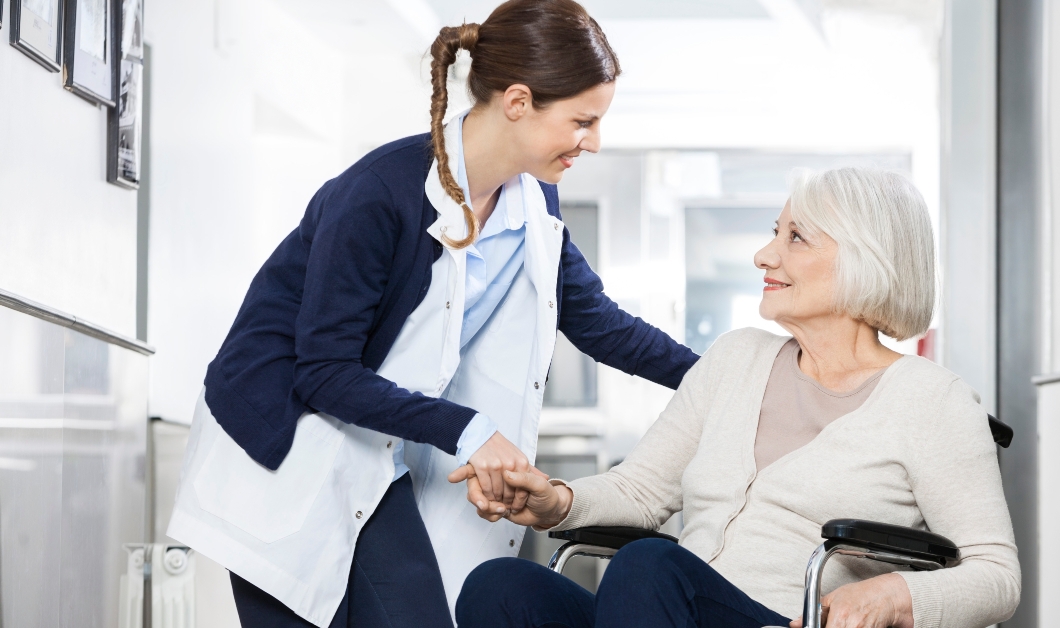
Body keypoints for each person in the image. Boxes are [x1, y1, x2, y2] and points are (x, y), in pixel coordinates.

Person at [165, 1, 699, 627]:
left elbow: (600, 324)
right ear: (519, 101)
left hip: (372, 451)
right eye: (583, 121)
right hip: (285, 448)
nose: (595, 142)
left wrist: (733, 378)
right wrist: (469, 430)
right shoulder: (380, 193)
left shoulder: (531, 201)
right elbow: (323, 372)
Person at [456, 167, 1021, 628]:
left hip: (778, 618)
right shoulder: (736, 359)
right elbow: (642, 488)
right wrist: (556, 501)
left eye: (794, 238)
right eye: (775, 232)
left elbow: (996, 576)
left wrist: (895, 596)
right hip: (665, 611)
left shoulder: (933, 400)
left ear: (864, 259)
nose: (764, 256)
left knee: (649, 566)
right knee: (501, 587)